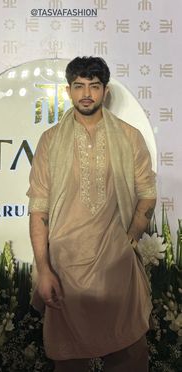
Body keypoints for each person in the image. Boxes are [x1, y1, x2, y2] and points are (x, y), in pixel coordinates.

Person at [26, 56, 156, 372]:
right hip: (65, 270)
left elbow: (147, 197)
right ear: (69, 90)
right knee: (69, 362)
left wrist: (130, 237)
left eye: (94, 86)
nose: (87, 94)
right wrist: (44, 270)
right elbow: (38, 210)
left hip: (116, 270)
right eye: (79, 86)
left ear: (105, 91)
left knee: (129, 358)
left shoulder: (129, 136)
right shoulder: (50, 141)